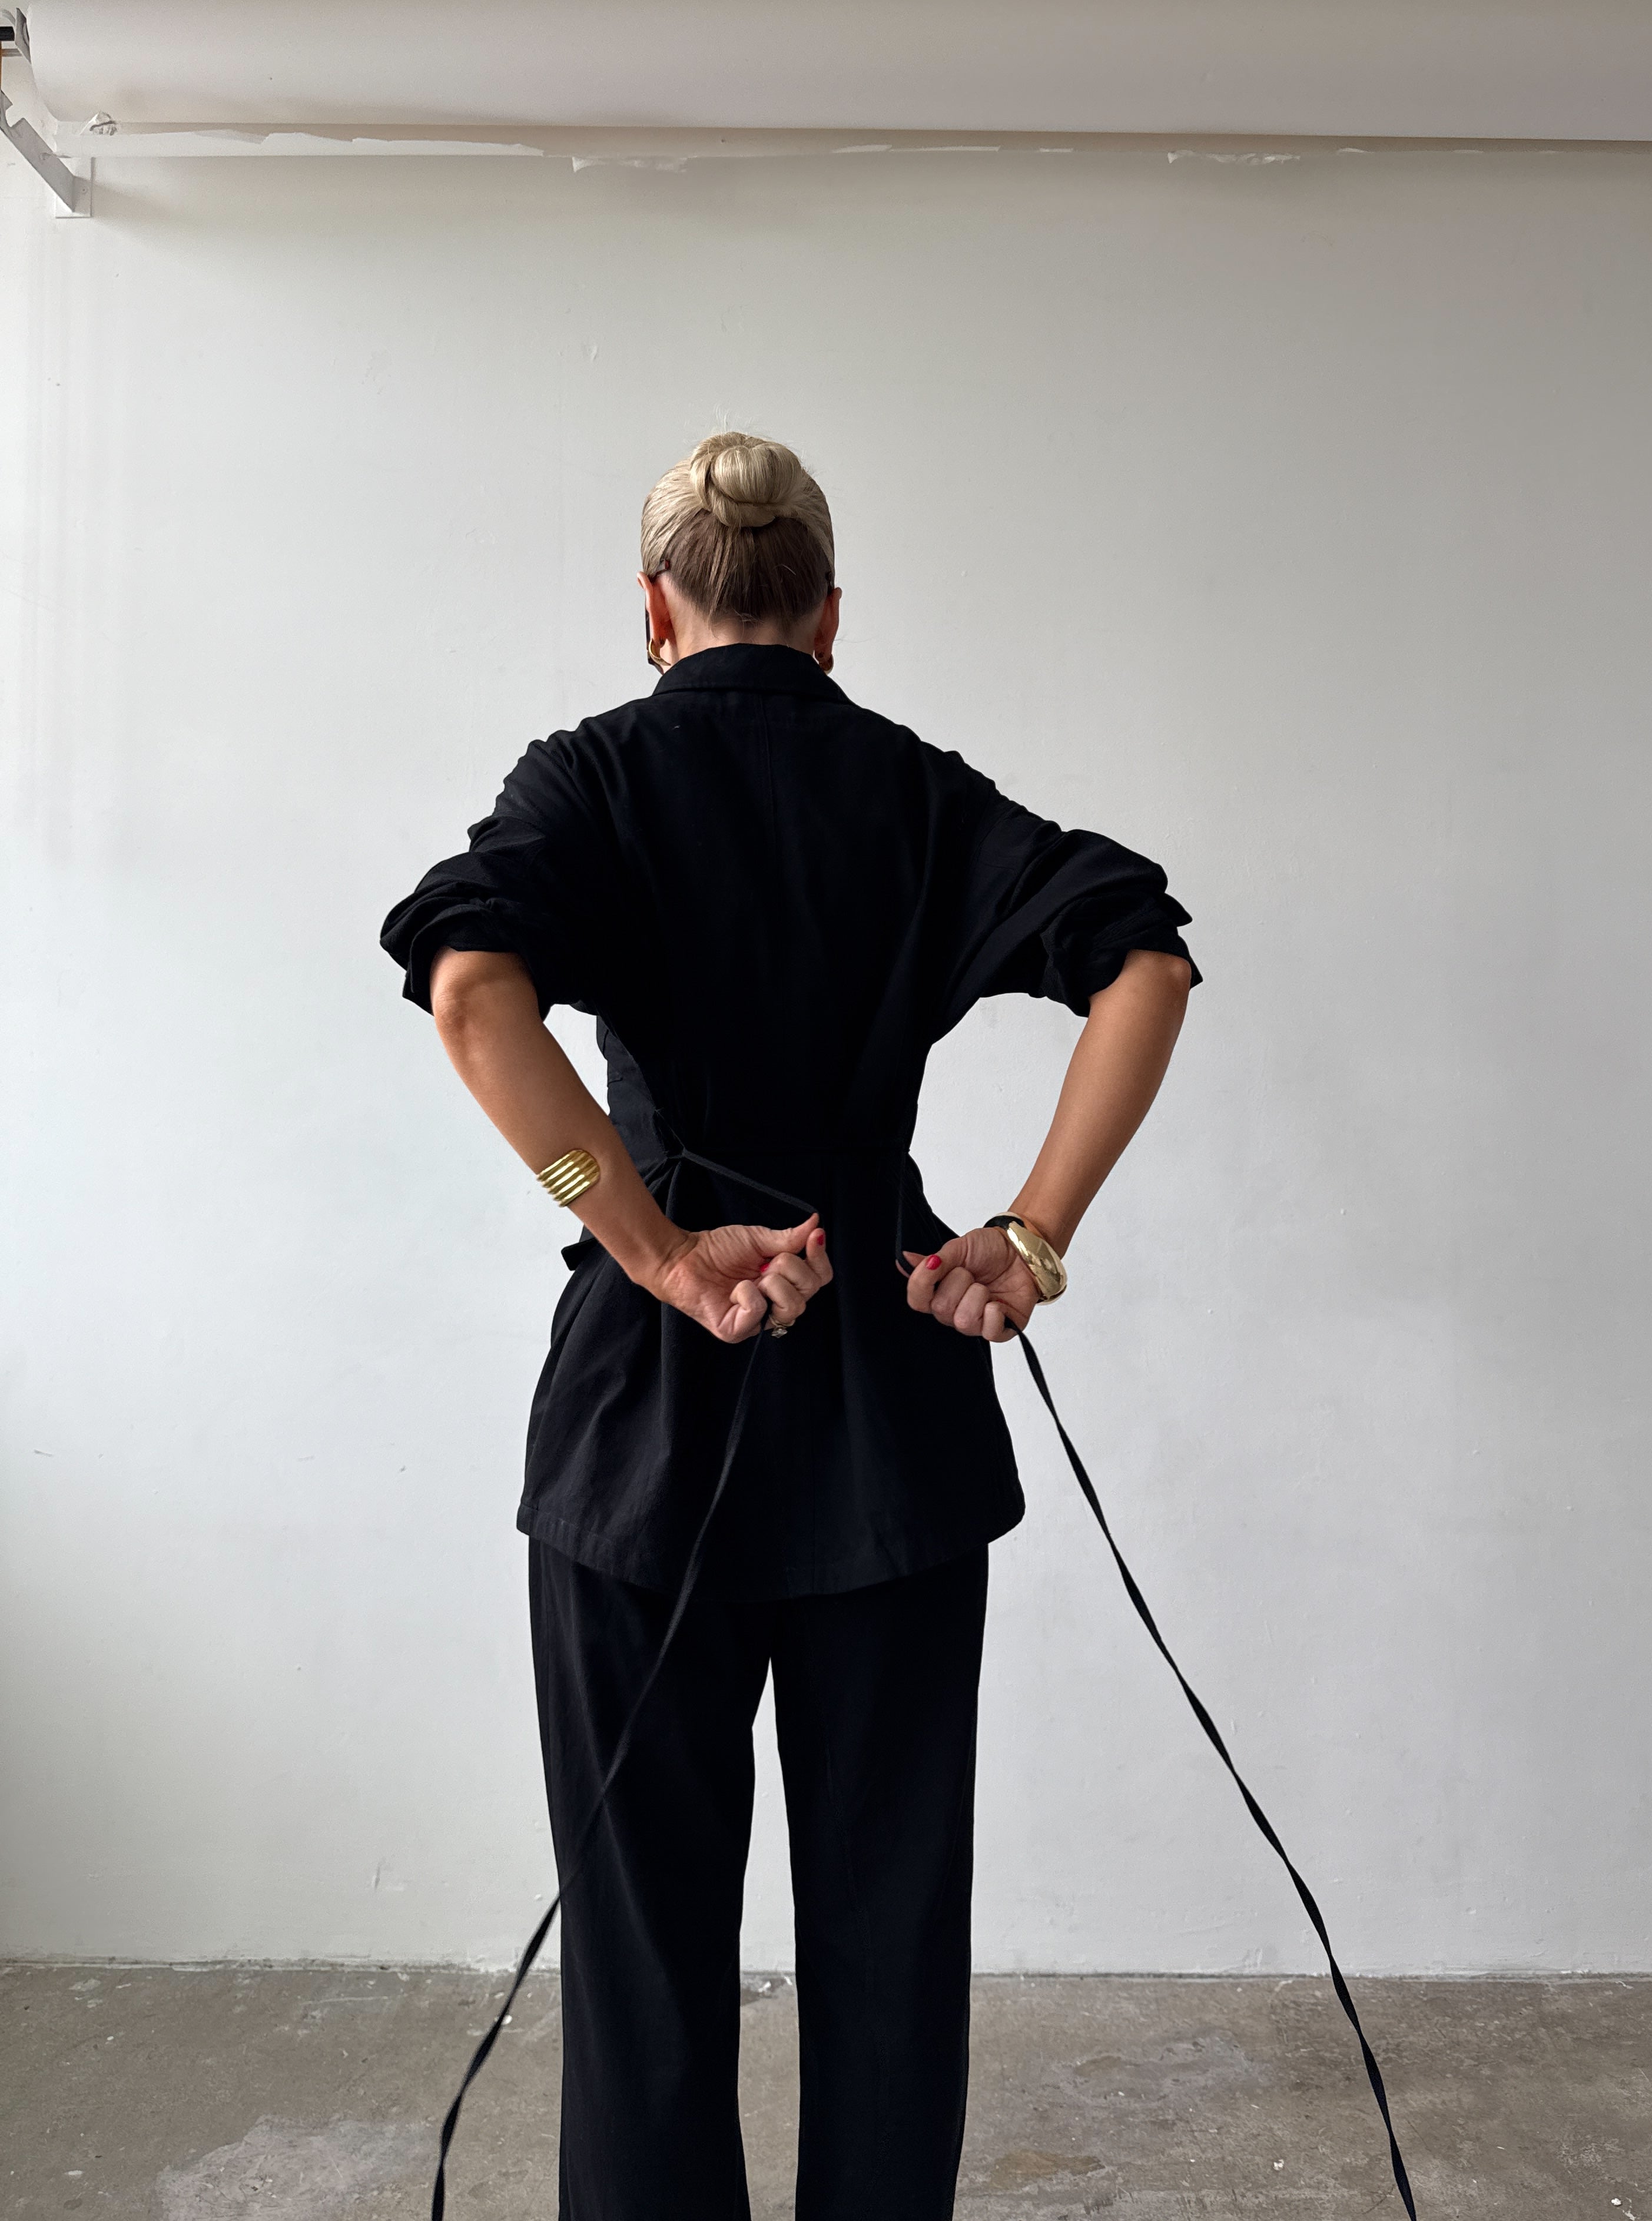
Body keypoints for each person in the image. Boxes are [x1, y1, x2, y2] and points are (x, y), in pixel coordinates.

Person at [380, 432, 1200, 2221]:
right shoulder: (910, 792)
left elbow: (471, 995)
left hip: (642, 1431)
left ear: (654, 613)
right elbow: (1146, 961)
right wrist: (1030, 1239)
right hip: (889, 1415)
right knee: (891, 1941)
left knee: (642, 1956)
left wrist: (660, 1251)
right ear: (829, 616)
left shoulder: (591, 781)